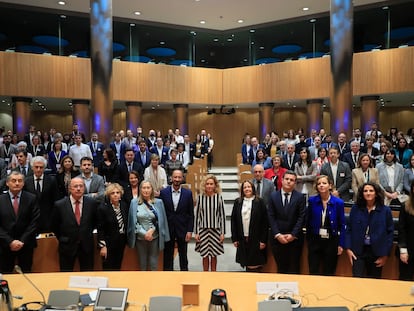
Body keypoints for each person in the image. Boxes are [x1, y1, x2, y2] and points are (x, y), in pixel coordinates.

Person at [345, 182, 394, 278]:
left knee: (374, 284)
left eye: (371, 191)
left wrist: (385, 254)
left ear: (376, 193)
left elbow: (390, 233)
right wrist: (348, 249)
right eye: (365, 191)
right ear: (362, 194)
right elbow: (349, 229)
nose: (368, 193)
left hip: (377, 252)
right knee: (357, 281)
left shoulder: (385, 211)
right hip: (358, 251)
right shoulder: (356, 208)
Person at [52, 177, 99, 271]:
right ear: (70, 188)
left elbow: (95, 222)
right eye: (75, 186)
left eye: (81, 186)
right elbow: (54, 225)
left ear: (84, 188)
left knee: (87, 276)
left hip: (86, 246)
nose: (78, 188)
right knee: (65, 275)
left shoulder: (92, 203)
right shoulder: (60, 205)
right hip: (67, 246)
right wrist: (63, 238)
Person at [267, 171, 306, 274]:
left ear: (295, 183)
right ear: (282, 180)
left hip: (294, 239)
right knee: (281, 268)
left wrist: (293, 235)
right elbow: (271, 216)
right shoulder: (273, 196)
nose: (289, 182)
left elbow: (301, 217)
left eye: (292, 180)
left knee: (294, 269)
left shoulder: (300, 197)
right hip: (277, 238)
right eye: (287, 179)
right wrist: (278, 234)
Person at [0, 171, 39, 273]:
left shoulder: (31, 198)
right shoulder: (1, 199)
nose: (17, 183)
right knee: (5, 275)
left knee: (26, 273)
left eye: (20, 181)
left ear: (23, 183)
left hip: (26, 244)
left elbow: (35, 221)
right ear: (7, 183)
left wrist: (22, 240)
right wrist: (10, 241)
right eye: (14, 181)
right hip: (5, 245)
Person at [307, 175, 345, 275]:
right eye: (319, 184)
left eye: (324, 183)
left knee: (329, 271)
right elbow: (308, 221)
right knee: (313, 270)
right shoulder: (312, 201)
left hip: (331, 241)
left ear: (330, 186)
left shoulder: (338, 203)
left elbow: (342, 225)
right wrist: (309, 241)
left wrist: (340, 244)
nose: (321, 186)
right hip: (315, 240)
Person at [127, 180, 170, 271]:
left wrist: (152, 231)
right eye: (144, 188)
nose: (146, 190)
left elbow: (162, 220)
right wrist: (144, 233)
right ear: (140, 189)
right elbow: (133, 221)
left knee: (154, 264)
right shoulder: (134, 203)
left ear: (152, 189)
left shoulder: (158, 202)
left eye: (148, 188)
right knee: (142, 264)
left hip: (155, 237)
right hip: (140, 238)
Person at [159, 170, 194, 271]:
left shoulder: (188, 193)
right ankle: (168, 278)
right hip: (168, 228)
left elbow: (190, 214)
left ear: (182, 179)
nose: (177, 180)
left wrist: (189, 230)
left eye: (179, 177)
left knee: (183, 256)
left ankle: (184, 276)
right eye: (175, 177)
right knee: (168, 256)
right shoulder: (163, 193)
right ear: (171, 178)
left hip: (182, 228)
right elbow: (161, 212)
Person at [231, 180, 268, 272]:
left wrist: (263, 240)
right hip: (242, 238)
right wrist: (234, 238)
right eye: (245, 187)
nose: (247, 189)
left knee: (255, 264)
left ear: (253, 188)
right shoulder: (238, 202)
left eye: (249, 187)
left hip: (256, 238)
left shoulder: (260, 202)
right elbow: (234, 221)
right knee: (246, 262)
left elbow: (265, 223)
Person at [194, 174, 226, 271]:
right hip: (203, 230)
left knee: (214, 254)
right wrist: (196, 232)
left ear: (215, 185)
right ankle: (205, 274)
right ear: (204, 185)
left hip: (215, 230)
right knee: (204, 254)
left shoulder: (219, 198)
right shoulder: (200, 198)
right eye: (207, 184)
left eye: (211, 184)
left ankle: (213, 274)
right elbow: (197, 216)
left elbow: (222, 216)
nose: (209, 186)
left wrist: (222, 233)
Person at [97, 183, 128, 270]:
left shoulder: (124, 205)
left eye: (117, 192)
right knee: (108, 267)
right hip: (108, 243)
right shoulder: (103, 208)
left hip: (121, 241)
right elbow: (101, 229)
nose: (115, 195)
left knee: (118, 266)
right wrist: (103, 246)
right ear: (109, 195)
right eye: (112, 193)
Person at [24, 156, 58, 233]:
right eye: (36, 167)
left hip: (48, 218)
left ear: (44, 168)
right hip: (31, 218)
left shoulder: (52, 180)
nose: (38, 169)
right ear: (32, 168)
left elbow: (56, 199)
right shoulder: (26, 181)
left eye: (41, 167)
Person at [397, 180, 414, 280]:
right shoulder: (405, 206)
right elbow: (401, 229)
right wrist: (403, 250)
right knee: (405, 279)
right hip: (409, 251)